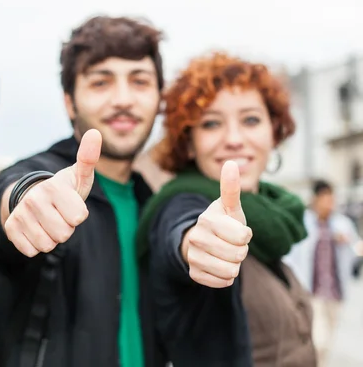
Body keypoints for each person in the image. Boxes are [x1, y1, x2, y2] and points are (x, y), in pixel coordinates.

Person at [0, 15, 166, 367]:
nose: (123, 99)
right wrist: (25, 199)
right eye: (101, 83)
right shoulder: (45, 175)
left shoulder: (152, 204)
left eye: (140, 82)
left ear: (159, 97)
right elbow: (11, 199)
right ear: (70, 102)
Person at [136, 51, 316, 366]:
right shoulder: (181, 202)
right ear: (189, 143)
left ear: (273, 132)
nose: (234, 139)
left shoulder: (275, 215)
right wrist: (194, 244)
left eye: (250, 119)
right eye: (211, 123)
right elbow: (180, 233)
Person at [285, 179, 362, 366]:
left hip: (335, 290)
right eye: (326, 198)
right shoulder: (304, 223)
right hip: (311, 290)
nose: (329, 203)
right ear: (316, 199)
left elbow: (355, 250)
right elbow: (292, 256)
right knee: (319, 339)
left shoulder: (342, 224)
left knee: (328, 337)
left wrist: (347, 244)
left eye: (331, 199)